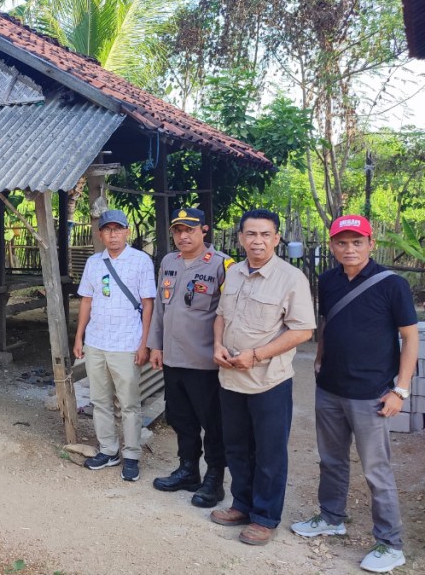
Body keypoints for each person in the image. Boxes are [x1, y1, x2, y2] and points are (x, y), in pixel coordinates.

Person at [290, 215, 416, 573]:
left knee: (376, 470)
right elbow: (327, 321)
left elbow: (410, 337)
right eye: (342, 242)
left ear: (370, 244)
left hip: (372, 393)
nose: (349, 249)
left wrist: (400, 390)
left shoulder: (392, 285)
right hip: (330, 388)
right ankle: (331, 517)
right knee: (331, 460)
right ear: (332, 246)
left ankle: (390, 543)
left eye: (357, 242)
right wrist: (319, 358)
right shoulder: (328, 280)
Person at [210, 208, 316, 546]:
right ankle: (241, 505)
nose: (258, 241)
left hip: (269, 381)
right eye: (251, 234)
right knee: (237, 447)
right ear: (241, 238)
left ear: (276, 238)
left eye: (265, 234)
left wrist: (255, 355)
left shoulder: (291, 278)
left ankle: (265, 517)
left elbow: (303, 331)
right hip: (230, 379)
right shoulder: (234, 273)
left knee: (269, 453)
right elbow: (221, 315)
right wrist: (217, 345)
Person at [147, 208, 232, 507]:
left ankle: (214, 479)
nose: (183, 236)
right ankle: (188, 470)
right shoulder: (169, 262)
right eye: (178, 230)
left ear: (204, 230)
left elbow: (230, 313)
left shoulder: (222, 265)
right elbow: (161, 309)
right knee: (181, 419)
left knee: (213, 423)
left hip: (204, 362)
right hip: (173, 359)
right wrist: (155, 346)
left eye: (190, 230)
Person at [72, 209, 155, 482]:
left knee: (129, 403)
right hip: (96, 342)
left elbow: (148, 304)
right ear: (100, 234)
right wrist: (79, 337)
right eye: (108, 229)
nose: (113, 234)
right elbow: (86, 300)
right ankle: (109, 450)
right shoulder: (94, 262)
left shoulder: (141, 261)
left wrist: (145, 344)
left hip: (127, 343)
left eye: (118, 229)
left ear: (127, 232)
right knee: (99, 401)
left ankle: (131, 455)